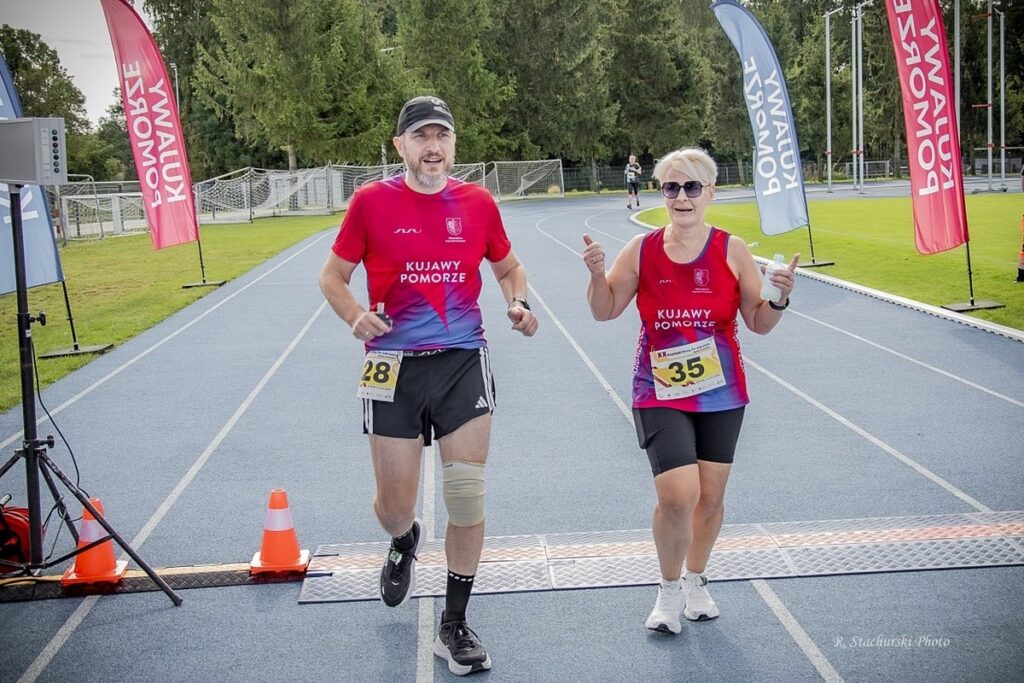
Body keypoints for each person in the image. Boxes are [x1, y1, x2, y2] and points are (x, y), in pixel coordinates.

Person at [319, 95, 538, 675]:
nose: (433, 147)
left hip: (462, 358)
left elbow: (509, 267)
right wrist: (353, 315)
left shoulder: (477, 203)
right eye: (421, 137)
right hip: (389, 363)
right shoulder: (370, 203)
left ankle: (455, 623)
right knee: (393, 506)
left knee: (467, 494)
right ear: (401, 147)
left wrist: (516, 302)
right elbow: (333, 276)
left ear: (454, 144)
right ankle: (403, 539)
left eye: (441, 136)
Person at [581, 147, 797, 635]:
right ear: (663, 194)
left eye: (691, 187)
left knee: (711, 498)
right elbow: (604, 309)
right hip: (657, 389)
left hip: (721, 392)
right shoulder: (640, 249)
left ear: (710, 193)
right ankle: (668, 589)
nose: (682, 197)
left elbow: (758, 323)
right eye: (672, 188)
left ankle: (697, 578)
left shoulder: (731, 249)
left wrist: (780, 297)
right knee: (678, 493)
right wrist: (597, 276)